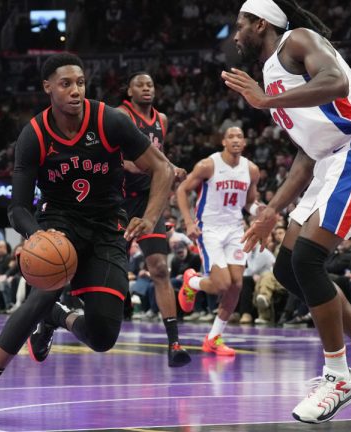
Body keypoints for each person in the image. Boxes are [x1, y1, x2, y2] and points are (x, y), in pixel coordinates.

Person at [0, 53, 173, 428]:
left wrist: (150, 217)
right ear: (47, 88)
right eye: (65, 84)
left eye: (80, 83)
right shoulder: (34, 134)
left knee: (103, 337)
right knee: (42, 290)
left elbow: (163, 168)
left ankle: (59, 316)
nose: (75, 90)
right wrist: (37, 235)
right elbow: (18, 207)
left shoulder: (109, 120)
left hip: (107, 227)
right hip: (59, 223)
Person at [222, 0, 351, 423]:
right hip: (329, 162)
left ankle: (339, 377)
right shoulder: (271, 80)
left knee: (309, 259)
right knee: (288, 268)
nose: (234, 35)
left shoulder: (298, 41)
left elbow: (336, 81)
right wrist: (270, 210)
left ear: (260, 23)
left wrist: (267, 102)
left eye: (240, 25)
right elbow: (306, 157)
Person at [119, 71, 190, 367]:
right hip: (118, 202)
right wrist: (135, 166)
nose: (147, 88)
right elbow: (115, 158)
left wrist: (172, 167)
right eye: (140, 84)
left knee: (160, 268)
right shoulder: (120, 116)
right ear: (129, 90)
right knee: (102, 263)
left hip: (150, 203)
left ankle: (174, 342)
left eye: (150, 84)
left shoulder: (161, 120)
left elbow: (158, 157)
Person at [175, 126, 260, 356]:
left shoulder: (251, 170)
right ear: (223, 141)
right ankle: (191, 282)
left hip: (235, 229)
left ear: (244, 143)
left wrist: (259, 210)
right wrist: (189, 222)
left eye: (240, 136)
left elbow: (249, 203)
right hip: (209, 229)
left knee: (237, 286)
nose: (235, 140)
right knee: (221, 284)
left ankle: (213, 337)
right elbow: (182, 190)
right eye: (231, 136)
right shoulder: (208, 165)